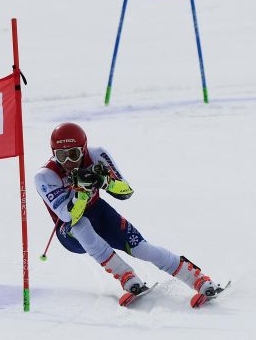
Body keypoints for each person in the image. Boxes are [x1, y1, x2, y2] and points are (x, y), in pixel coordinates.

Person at [34, 122, 221, 307]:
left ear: (83, 149)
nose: (68, 161)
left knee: (142, 248)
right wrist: (82, 192)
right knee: (81, 225)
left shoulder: (97, 154)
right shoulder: (44, 176)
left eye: (73, 154)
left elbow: (127, 191)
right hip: (69, 231)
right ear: (53, 153)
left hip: (99, 212)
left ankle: (198, 279)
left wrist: (105, 182)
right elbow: (68, 216)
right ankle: (126, 276)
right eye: (61, 155)